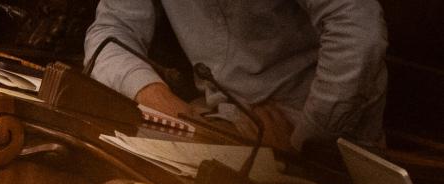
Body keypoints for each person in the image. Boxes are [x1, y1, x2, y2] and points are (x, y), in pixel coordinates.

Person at [83, 0, 388, 151]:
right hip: (219, 130)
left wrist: (305, 141)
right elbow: (112, 31)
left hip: (325, 142)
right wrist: (161, 102)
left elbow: (359, 36)